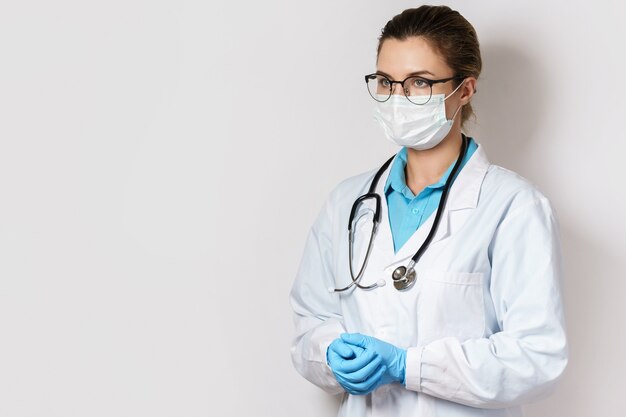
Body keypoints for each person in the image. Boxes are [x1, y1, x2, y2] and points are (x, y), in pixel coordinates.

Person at [289, 5, 568, 416]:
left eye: (419, 82)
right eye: (386, 81)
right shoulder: (348, 203)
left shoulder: (514, 207)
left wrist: (408, 367)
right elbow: (308, 321)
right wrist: (329, 352)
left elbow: (536, 356)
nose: (398, 98)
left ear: (465, 90)